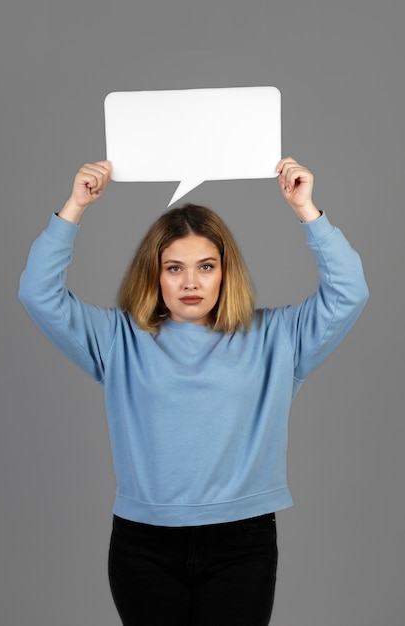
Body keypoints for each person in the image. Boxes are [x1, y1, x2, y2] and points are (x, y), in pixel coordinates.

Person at [19, 157, 369, 626]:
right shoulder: (119, 339)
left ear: (226, 272)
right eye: (174, 268)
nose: (190, 283)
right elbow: (37, 294)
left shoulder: (277, 337)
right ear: (155, 274)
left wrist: (306, 208)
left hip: (242, 545)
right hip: (144, 546)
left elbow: (350, 292)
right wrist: (75, 205)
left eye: (205, 266)